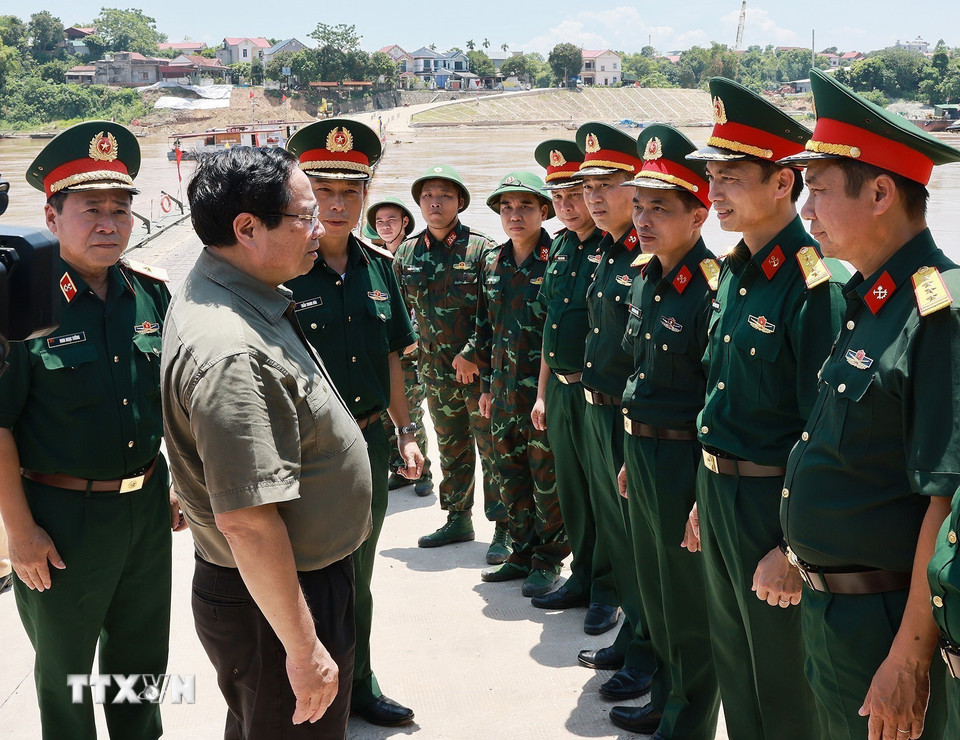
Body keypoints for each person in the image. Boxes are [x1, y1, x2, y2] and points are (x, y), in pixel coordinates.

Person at [161, 146, 373, 738]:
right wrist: (303, 650)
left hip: (281, 588)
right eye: (304, 215)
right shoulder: (233, 352)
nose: (320, 226)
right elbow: (249, 524)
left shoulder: (231, 288)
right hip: (277, 600)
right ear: (247, 229)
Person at [780, 69, 960, 740]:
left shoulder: (936, 312)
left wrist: (910, 658)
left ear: (880, 192)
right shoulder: (868, 303)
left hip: (885, 618)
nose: (807, 211)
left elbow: (943, 500)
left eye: (820, 191)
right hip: (833, 608)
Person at [0, 121, 183, 739]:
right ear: (52, 218)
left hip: (146, 513)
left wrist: (178, 483)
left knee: (140, 666)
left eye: (120, 208)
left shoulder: (150, 297)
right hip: (59, 520)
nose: (109, 223)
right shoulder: (22, 304)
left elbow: (171, 403)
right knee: (67, 673)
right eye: (90, 209)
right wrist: (19, 533)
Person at [683, 76, 847, 740]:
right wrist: (704, 494)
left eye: (731, 175)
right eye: (712, 175)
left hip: (772, 507)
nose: (714, 190)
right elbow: (721, 398)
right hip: (720, 493)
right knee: (735, 665)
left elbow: (823, 431)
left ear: (784, 183)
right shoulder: (734, 273)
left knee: (783, 680)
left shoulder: (815, 285)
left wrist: (792, 547)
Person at [285, 120, 422, 727]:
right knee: (307, 576)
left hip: (368, 438)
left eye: (350, 192)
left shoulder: (379, 266)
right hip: (304, 448)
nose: (336, 205)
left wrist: (406, 432)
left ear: (367, 195)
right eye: (323, 191)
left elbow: (393, 354)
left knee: (359, 576)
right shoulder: (281, 269)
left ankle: (357, 685)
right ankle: (306, 690)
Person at [610, 125, 720, 738]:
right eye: (641, 205)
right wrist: (631, 451)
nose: (643, 219)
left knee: (686, 603)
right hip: (645, 452)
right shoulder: (648, 275)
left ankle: (689, 721)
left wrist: (704, 495)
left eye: (661, 208)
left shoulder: (711, 287)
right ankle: (664, 698)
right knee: (654, 591)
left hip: (686, 464)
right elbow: (646, 377)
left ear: (699, 216)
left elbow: (712, 397)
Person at [571, 122, 657, 704]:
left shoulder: (653, 253)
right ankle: (633, 635)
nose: (594, 197)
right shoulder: (603, 249)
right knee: (621, 540)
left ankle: (650, 654)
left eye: (610, 184)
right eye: (589, 186)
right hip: (597, 409)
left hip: (634, 420)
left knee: (645, 544)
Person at [394, 165, 508, 563]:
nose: (435, 202)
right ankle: (458, 518)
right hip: (434, 373)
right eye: (428, 196)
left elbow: (496, 311)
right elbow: (399, 311)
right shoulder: (406, 253)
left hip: (476, 375)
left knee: (492, 448)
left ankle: (504, 527)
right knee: (451, 446)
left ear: (460, 202)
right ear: (419, 204)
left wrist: (474, 353)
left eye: (444, 195)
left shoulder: (482, 250)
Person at [529, 138, 620, 635]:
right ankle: (582, 575)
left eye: (576, 194)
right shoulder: (560, 247)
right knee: (573, 491)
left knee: (605, 496)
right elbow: (551, 326)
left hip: (598, 393)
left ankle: (609, 589)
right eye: (559, 198)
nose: (568, 206)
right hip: (562, 391)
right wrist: (542, 393)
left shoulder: (614, 248)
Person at [475, 171, 570, 596]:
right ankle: (520, 551)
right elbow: (485, 329)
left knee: (544, 478)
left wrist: (547, 396)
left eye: (526, 206)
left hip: (539, 395)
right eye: (507, 207)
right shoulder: (492, 263)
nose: (515, 215)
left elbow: (560, 330)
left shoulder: (558, 261)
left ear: (544, 211)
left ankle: (549, 559)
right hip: (502, 393)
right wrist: (485, 389)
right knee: (508, 474)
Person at [367, 197, 434, 498]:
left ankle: (424, 472)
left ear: (405, 222)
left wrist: (412, 339)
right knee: (384, 414)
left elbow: (423, 306)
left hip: (408, 350)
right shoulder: (372, 258)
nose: (385, 225)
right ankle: (401, 468)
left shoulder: (415, 254)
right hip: (380, 349)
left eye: (391, 220)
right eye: (380, 221)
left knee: (412, 411)